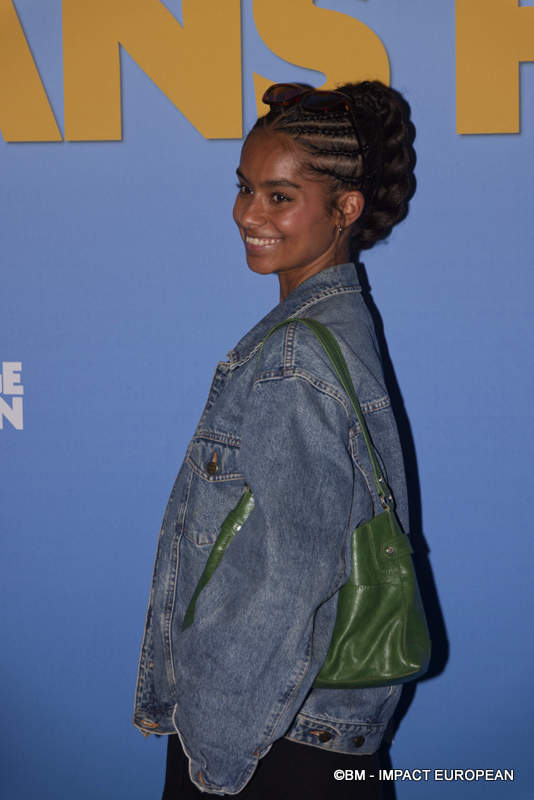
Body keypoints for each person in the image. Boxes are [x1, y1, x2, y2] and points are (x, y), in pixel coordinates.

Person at [133, 80, 417, 799]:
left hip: (271, 741)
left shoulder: (297, 358)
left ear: (344, 209)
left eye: (279, 196)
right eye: (244, 188)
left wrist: (218, 761)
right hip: (309, 727)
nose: (247, 214)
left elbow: (293, 577)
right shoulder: (334, 326)